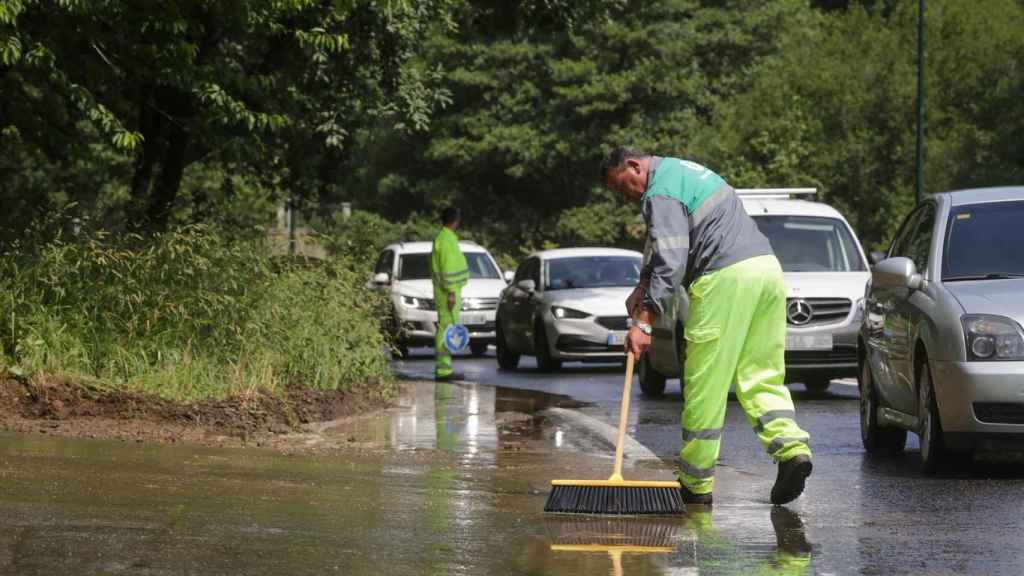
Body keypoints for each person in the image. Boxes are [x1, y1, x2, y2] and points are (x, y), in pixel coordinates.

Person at [602, 146, 812, 506]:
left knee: (704, 381)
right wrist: (642, 285)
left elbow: (671, 259)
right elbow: (665, 243)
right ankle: (792, 451)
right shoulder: (687, 173)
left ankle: (696, 483)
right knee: (760, 373)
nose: (627, 196)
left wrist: (646, 323)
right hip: (766, 272)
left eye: (624, 186)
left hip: (722, 279)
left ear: (635, 165)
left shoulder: (660, 191)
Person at [431, 206, 469, 381]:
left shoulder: (444, 238)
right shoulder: (446, 240)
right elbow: (448, 269)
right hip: (448, 293)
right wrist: (452, 292)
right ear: (457, 220)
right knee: (447, 330)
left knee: (446, 328)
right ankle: (444, 370)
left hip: (446, 292)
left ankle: (444, 368)